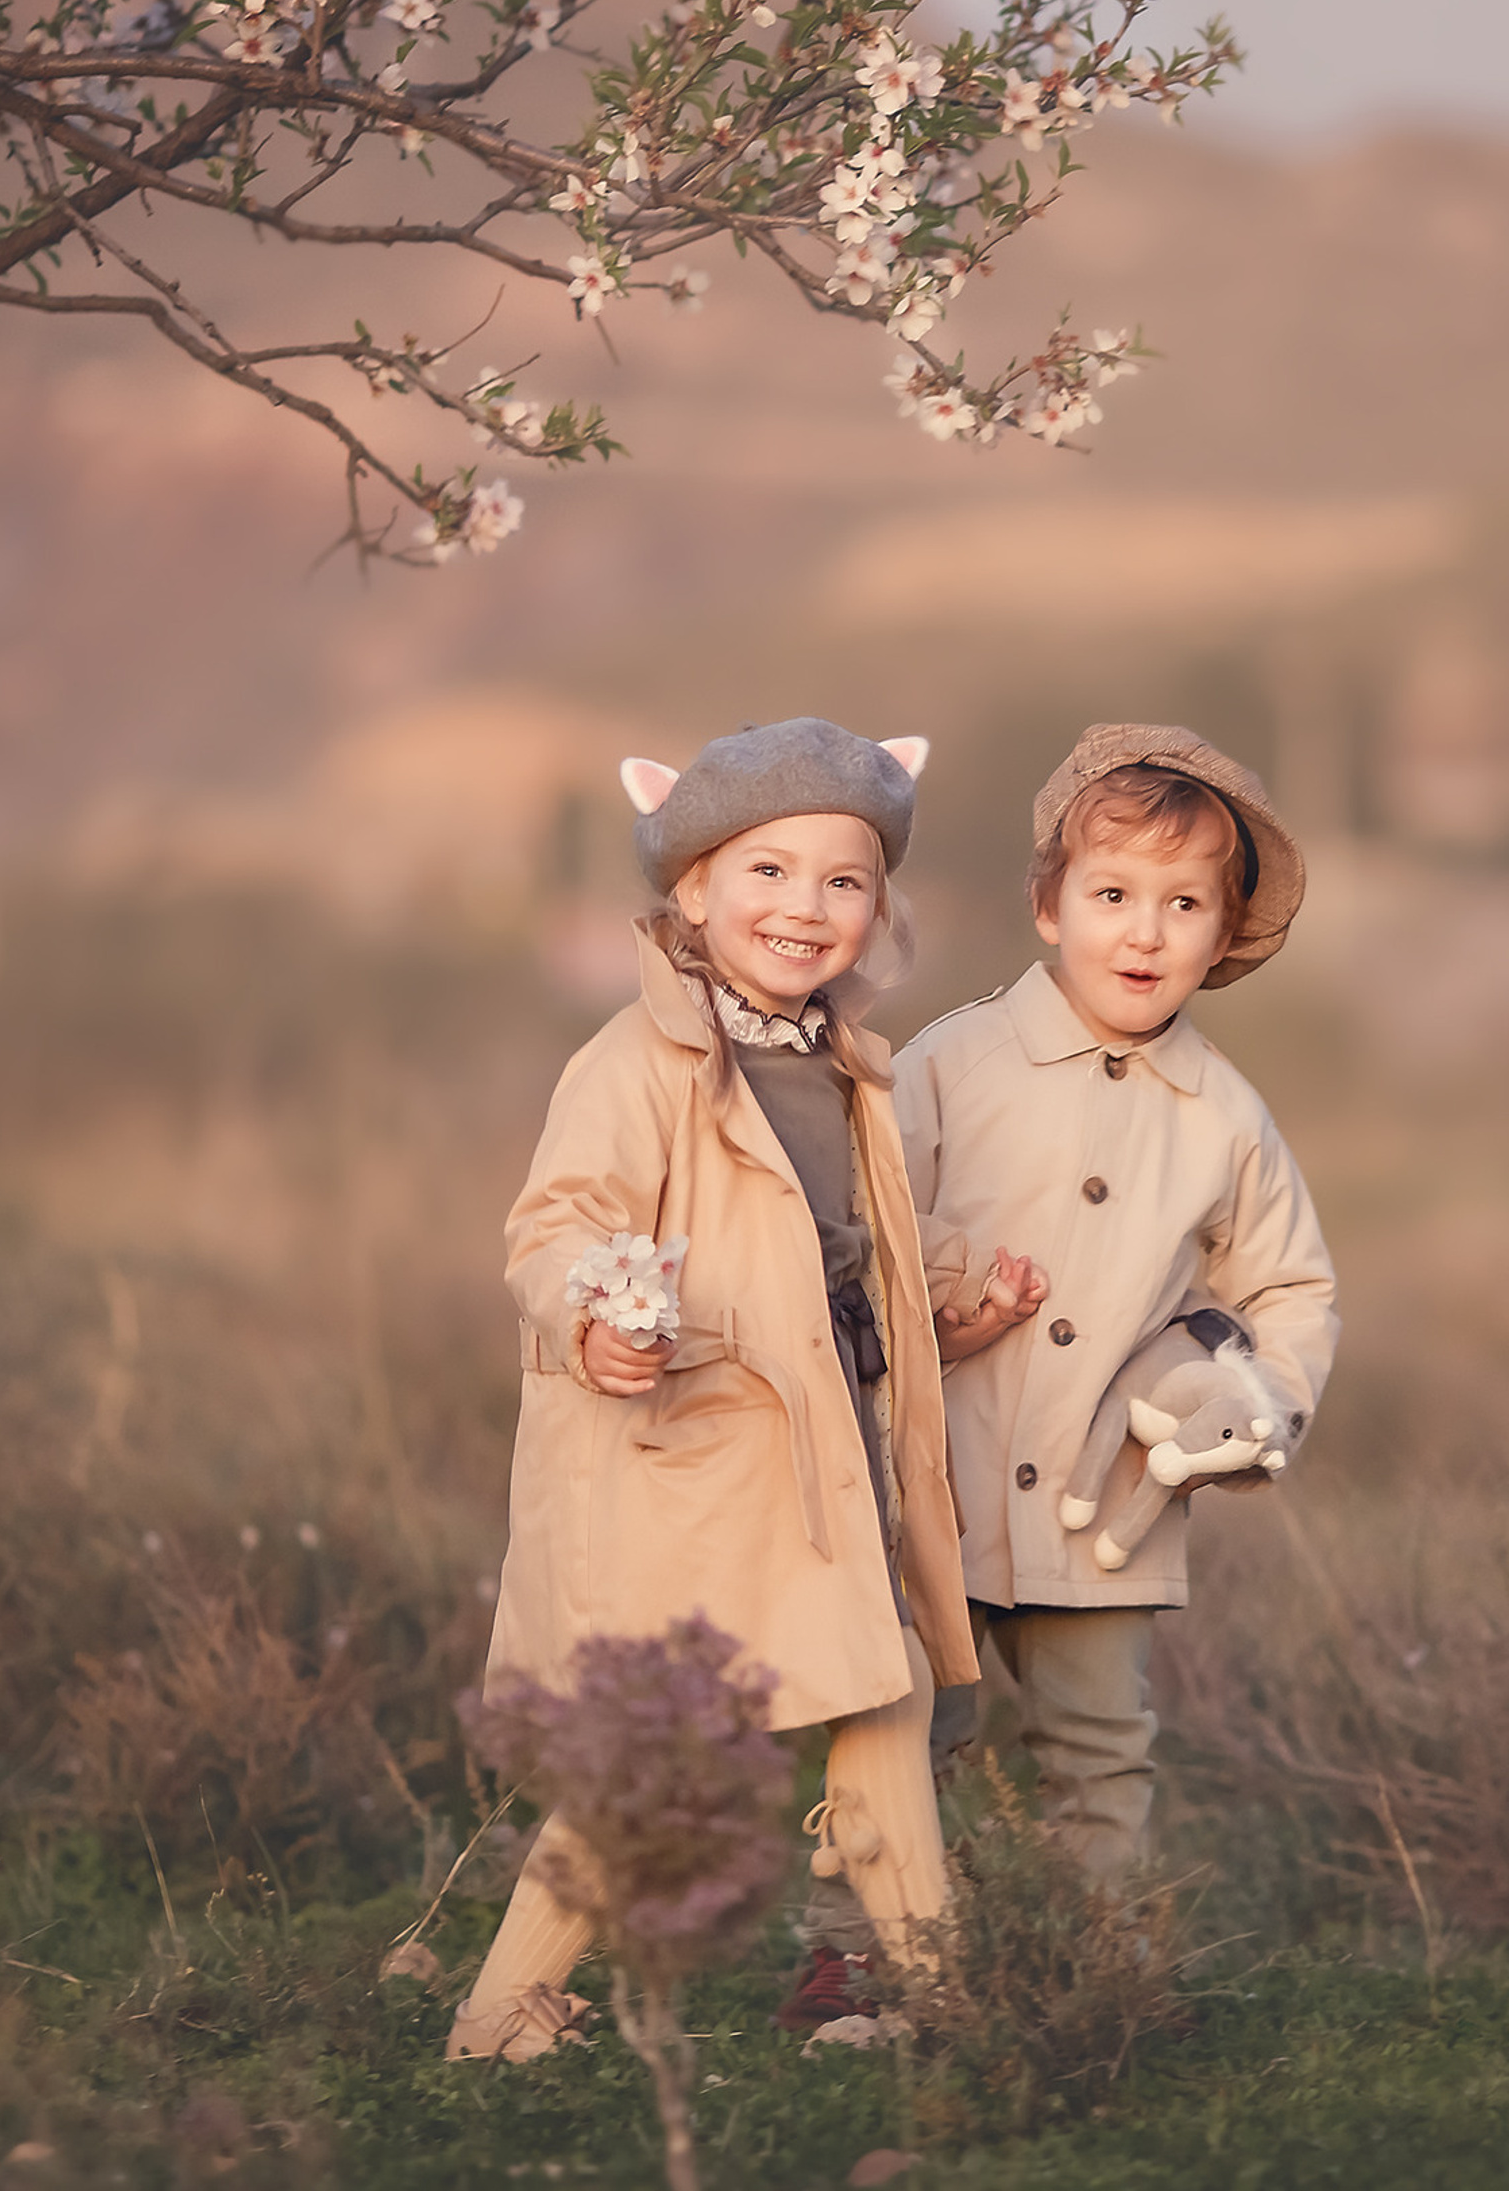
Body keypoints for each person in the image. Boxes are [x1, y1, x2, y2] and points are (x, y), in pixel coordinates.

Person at [448, 717, 1043, 2061]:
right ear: (693, 891)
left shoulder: (844, 1062)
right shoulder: (636, 1063)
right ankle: (496, 2015)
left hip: (830, 1453)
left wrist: (958, 1290)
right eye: (767, 873)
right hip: (700, 1460)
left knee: (878, 1699)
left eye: (842, 881)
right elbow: (551, 1232)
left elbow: (857, 1243)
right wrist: (596, 1316)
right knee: (658, 1755)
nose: (805, 908)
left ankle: (940, 2002)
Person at [893, 724, 1341, 1882]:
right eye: (1111, 893)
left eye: (1183, 903)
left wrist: (1248, 1400)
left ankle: (1104, 1963)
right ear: (1049, 907)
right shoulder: (949, 1064)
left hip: (1105, 1509)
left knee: (1101, 1750)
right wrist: (949, 1287)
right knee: (900, 1738)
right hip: (929, 1488)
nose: (1144, 931)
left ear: (1223, 930)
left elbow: (1291, 1288)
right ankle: (865, 1954)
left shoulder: (1222, 1114)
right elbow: (865, 1233)